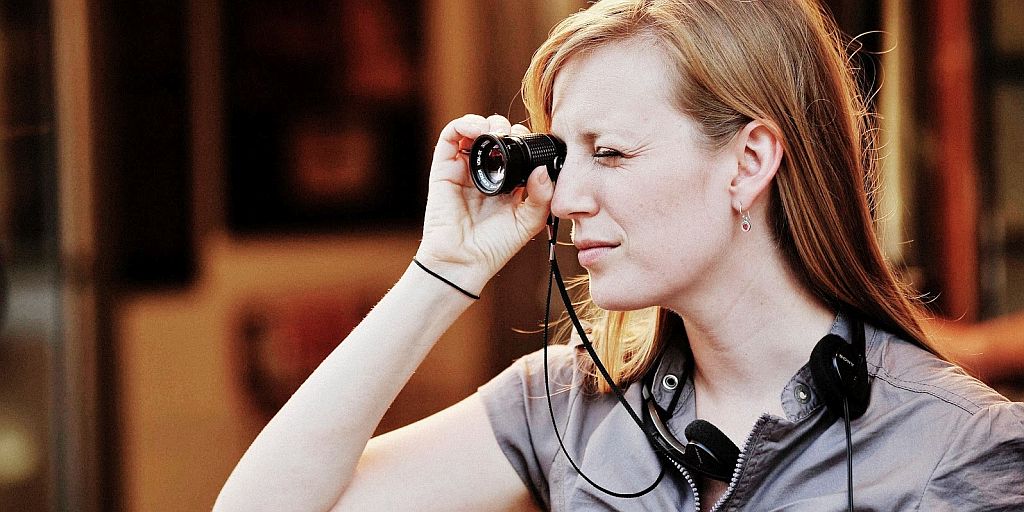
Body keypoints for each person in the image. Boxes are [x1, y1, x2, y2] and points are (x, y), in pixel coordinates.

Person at [215, 0, 1024, 510]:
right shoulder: (568, 405)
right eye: (563, 156)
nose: (564, 199)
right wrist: (442, 275)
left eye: (610, 152)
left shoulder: (959, 448)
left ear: (749, 162)